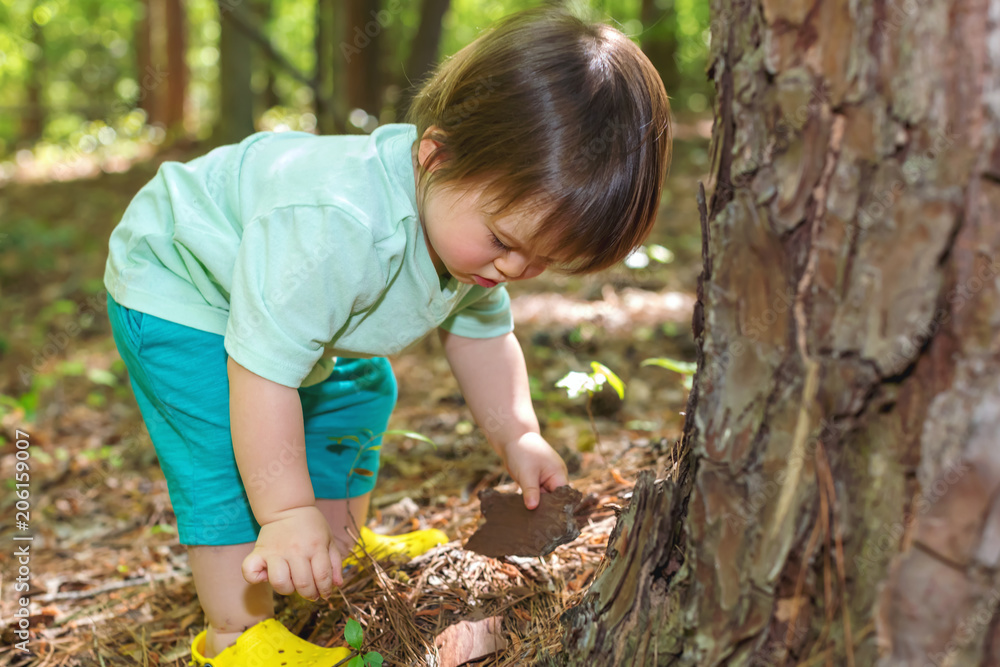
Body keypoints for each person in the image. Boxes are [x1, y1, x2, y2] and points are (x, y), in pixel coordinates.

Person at [104, 6, 671, 665]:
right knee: (222, 448)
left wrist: (518, 433)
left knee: (360, 387)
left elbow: (484, 338)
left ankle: (336, 543)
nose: (513, 270)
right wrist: (284, 510)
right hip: (182, 285)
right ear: (435, 155)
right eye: (504, 242)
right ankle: (236, 629)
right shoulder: (340, 225)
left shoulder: (466, 222)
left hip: (286, 300)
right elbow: (261, 375)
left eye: (542, 260)